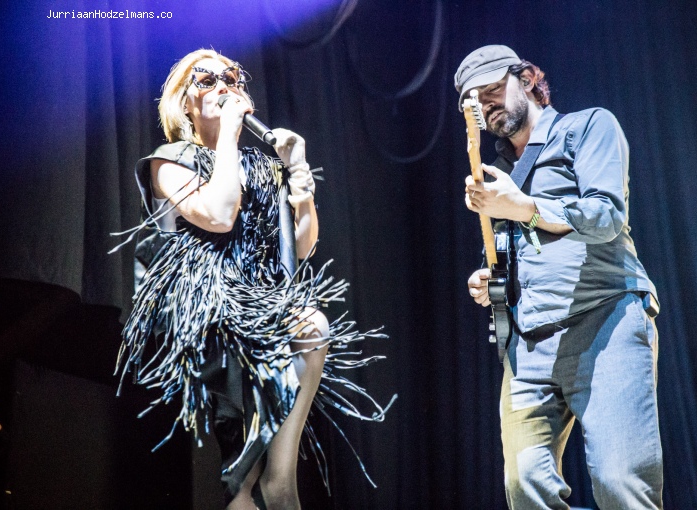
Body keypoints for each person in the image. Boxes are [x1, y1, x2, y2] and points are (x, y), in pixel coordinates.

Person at [114, 49, 392, 510]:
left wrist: (299, 176)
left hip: (261, 301)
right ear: (184, 103)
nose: (223, 86)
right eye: (206, 80)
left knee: (314, 326)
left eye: (232, 78)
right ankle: (267, 487)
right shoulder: (168, 160)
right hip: (207, 308)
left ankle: (280, 478)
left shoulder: (262, 165)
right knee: (234, 478)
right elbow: (219, 215)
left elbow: (300, 247)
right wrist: (227, 138)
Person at [455, 45, 663, 509]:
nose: (486, 106)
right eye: (473, 102)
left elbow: (606, 216)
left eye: (492, 90)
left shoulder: (587, 126)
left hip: (604, 321)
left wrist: (523, 208)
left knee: (620, 480)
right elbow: (525, 250)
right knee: (525, 486)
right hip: (529, 345)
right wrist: (494, 279)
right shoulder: (498, 173)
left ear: (528, 78)